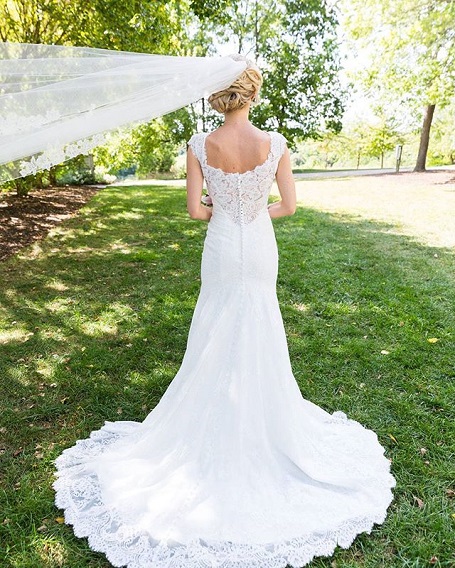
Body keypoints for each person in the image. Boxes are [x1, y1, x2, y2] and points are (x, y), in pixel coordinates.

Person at [53, 55, 396, 568]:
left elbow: (195, 210)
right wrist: (252, 212)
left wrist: (222, 211)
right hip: (258, 244)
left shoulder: (198, 145)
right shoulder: (275, 143)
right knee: (258, 319)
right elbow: (289, 207)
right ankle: (261, 414)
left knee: (216, 322)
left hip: (219, 246)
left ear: (218, 96)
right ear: (252, 95)